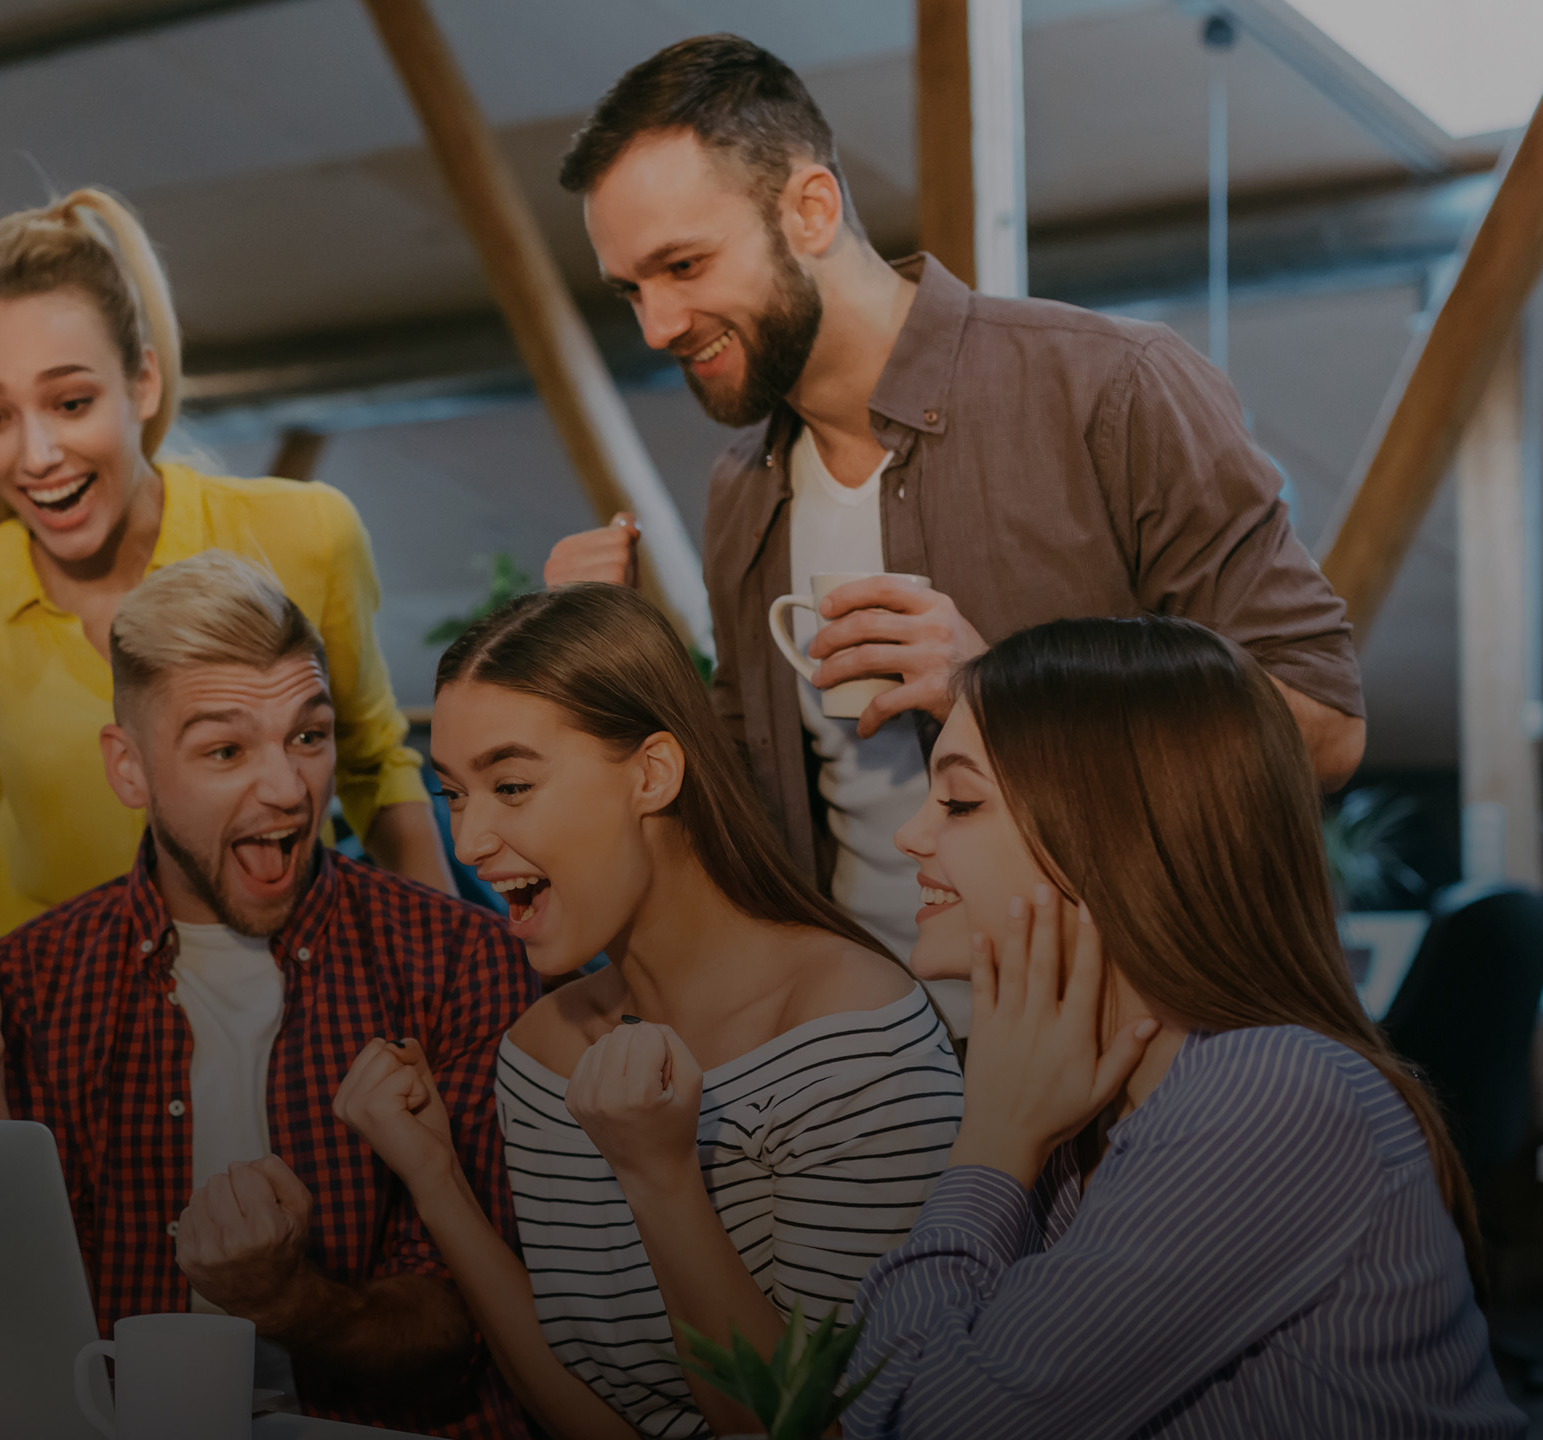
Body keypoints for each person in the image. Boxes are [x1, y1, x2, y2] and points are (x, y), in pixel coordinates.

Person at [540, 35, 1365, 997]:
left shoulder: (1113, 388)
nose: (657, 326)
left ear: (811, 209)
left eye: (684, 265)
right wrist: (613, 666)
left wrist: (993, 691)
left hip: (1120, 1051)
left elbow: (1323, 733)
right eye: (630, 289)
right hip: (863, 1063)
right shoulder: (741, 485)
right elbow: (753, 807)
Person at [0, 551, 537, 1440]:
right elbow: (6, 1347)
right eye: (226, 749)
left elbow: (467, 1339)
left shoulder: (463, 962)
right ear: (130, 769)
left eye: (308, 737)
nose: (287, 789)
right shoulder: (25, 988)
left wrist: (290, 1302)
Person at [841, 616, 1523, 1437]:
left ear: (1113, 839)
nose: (912, 835)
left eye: (958, 800)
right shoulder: (1087, 1097)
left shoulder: (1272, 1096)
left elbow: (920, 1422)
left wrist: (988, 1151)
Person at [332, 583, 963, 1440]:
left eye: (511, 785)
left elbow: (818, 1429)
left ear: (654, 774)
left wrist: (659, 1174)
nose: (473, 841)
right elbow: (590, 1411)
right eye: (454, 794)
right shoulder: (540, 1049)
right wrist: (436, 1181)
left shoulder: (853, 1032)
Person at [0, 186, 448, 944]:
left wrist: (455, 976)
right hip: (40, 1022)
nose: (35, 455)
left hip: (273, 992)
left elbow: (374, 767)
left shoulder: (305, 535)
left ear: (143, 384)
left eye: (70, 402)